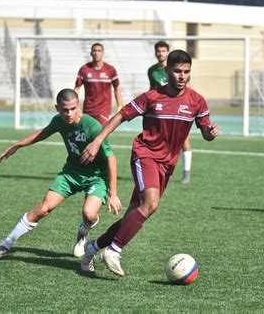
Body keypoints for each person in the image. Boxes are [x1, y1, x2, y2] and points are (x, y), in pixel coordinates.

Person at [79, 50, 219, 276]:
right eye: (177, 71)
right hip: (146, 156)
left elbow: (205, 132)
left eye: (186, 72)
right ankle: (113, 251)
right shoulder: (151, 97)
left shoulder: (197, 101)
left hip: (167, 165)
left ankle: (92, 248)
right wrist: (97, 141)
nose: (182, 76)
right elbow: (120, 116)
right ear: (167, 71)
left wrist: (211, 132)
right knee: (151, 203)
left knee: (135, 214)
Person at [0, 89, 122, 263]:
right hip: (71, 173)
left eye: (73, 109)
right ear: (57, 108)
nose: (69, 114)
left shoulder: (92, 126)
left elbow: (111, 158)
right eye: (64, 110)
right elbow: (42, 133)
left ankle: (83, 233)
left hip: (96, 177)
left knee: (89, 214)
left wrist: (113, 193)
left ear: (78, 106)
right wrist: (18, 145)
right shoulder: (58, 121)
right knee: (43, 208)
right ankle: (6, 243)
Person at [148, 41, 193, 183]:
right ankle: (163, 169)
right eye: (158, 51)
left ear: (167, 52)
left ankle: (186, 172)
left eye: (163, 51)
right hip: (161, 111)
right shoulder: (152, 71)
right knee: (162, 140)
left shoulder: (179, 69)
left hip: (178, 109)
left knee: (183, 140)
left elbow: (187, 88)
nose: (161, 53)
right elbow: (152, 89)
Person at [74, 43, 123, 127]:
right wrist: (74, 105)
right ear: (91, 53)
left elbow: (116, 88)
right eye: (94, 51)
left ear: (103, 53)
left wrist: (119, 106)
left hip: (103, 110)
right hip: (88, 108)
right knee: (87, 134)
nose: (96, 53)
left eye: (99, 51)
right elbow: (77, 88)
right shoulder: (84, 69)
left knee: (101, 133)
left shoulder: (110, 70)